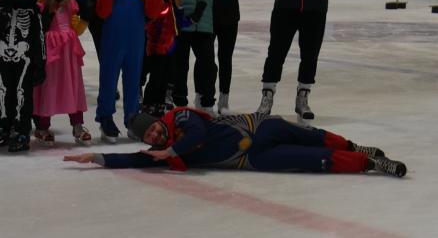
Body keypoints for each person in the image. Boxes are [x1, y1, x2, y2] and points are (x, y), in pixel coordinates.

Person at [63, 107, 407, 178]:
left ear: (158, 121)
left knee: (309, 135)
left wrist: (171, 150)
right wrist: (96, 157)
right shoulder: (159, 152)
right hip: (252, 160)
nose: (153, 136)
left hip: (258, 129)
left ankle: (355, 146)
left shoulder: (181, 118)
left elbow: (196, 135)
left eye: (152, 129)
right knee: (311, 158)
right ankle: (371, 164)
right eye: (149, 137)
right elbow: (134, 160)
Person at [0, 0, 47, 153]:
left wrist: (40, 63)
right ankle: (3, 125)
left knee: (23, 93)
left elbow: (39, 38)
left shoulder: (33, 11)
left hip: (25, 59)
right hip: (3, 57)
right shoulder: (0, 7)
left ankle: (22, 128)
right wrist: (3, 10)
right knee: (2, 92)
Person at [32, 0, 91, 146]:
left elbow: (77, 28)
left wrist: (81, 23)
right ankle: (42, 126)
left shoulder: (71, 4)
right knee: (49, 85)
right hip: (52, 50)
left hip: (68, 52)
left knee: (72, 86)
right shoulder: (42, 6)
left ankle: (78, 125)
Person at [94, 0, 146, 142]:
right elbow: (102, 12)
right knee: (108, 80)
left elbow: (150, 13)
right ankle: (105, 117)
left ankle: (132, 119)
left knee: (133, 82)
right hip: (112, 42)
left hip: (135, 43)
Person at [140, 0, 188, 117]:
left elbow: (176, 21)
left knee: (165, 78)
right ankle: (148, 107)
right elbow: (152, 15)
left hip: (168, 46)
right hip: (155, 48)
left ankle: (159, 106)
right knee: (156, 79)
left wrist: (189, 16)